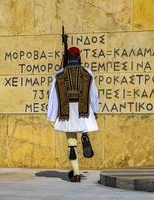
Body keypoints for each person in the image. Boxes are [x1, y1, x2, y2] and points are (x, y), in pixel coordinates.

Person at [46, 47, 99, 182]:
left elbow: (53, 96)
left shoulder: (60, 74)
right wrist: (95, 109)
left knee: (71, 144)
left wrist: (52, 115)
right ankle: (85, 134)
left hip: (67, 112)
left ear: (67, 57)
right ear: (79, 57)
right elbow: (93, 94)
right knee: (83, 126)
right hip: (84, 110)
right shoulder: (87, 72)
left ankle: (76, 173)